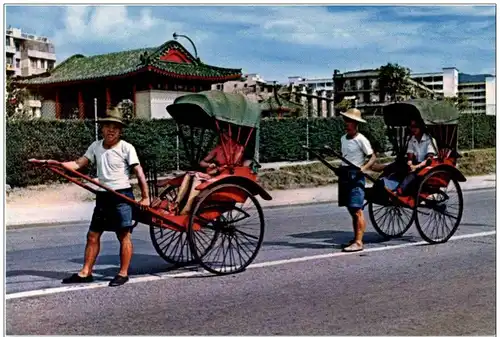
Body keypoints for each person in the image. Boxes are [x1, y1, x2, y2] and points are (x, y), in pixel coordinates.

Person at [60, 107, 150, 287]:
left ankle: (123, 273)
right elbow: (79, 164)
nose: (111, 130)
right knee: (93, 235)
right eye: (107, 126)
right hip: (103, 196)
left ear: (120, 130)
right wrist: (55, 164)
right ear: (102, 129)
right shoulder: (95, 146)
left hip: (121, 196)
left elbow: (138, 172)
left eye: (115, 127)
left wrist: (145, 197)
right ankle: (86, 272)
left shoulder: (126, 148)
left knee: (123, 235)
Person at [163, 129, 245, 215]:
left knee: (196, 177)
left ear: (231, 133)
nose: (223, 135)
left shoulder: (238, 148)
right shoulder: (218, 148)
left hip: (225, 176)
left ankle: (188, 207)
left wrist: (216, 169)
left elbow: (233, 166)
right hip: (213, 174)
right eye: (222, 133)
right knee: (189, 174)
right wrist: (209, 165)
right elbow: (202, 162)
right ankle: (176, 204)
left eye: (226, 132)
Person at [338, 108, 377, 253]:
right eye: (346, 121)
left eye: (350, 122)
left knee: (357, 209)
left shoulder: (361, 139)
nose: (347, 124)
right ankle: (356, 237)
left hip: (356, 175)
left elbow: (372, 157)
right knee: (350, 208)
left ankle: (359, 242)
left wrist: (364, 167)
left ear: (356, 124)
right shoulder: (343, 138)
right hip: (345, 175)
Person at [392, 118, 437, 195]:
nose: (413, 129)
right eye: (411, 127)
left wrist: (416, 167)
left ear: (421, 127)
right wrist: (410, 164)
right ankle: (390, 185)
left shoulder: (429, 140)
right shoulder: (411, 140)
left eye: (415, 126)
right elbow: (410, 156)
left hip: (428, 164)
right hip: (416, 163)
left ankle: (401, 190)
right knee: (398, 166)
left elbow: (429, 159)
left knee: (414, 174)